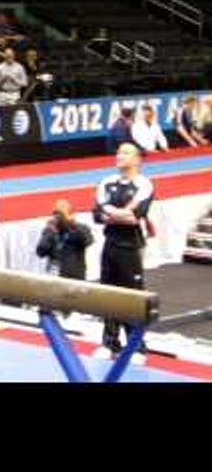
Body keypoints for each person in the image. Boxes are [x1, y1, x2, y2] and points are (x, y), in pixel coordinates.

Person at [92, 143, 154, 363]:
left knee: (132, 297)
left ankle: (137, 347)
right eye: (118, 152)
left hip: (130, 247)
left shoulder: (144, 184)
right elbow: (97, 214)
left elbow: (137, 216)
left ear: (137, 159)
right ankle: (110, 342)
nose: (119, 155)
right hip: (110, 244)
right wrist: (123, 213)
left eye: (126, 152)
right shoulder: (106, 182)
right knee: (108, 294)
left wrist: (113, 214)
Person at [36, 199, 94, 280]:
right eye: (56, 214)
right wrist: (49, 232)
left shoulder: (80, 228)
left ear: (70, 214)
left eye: (61, 214)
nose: (59, 217)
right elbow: (40, 252)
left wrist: (73, 225)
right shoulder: (50, 230)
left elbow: (88, 241)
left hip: (74, 276)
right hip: (54, 275)